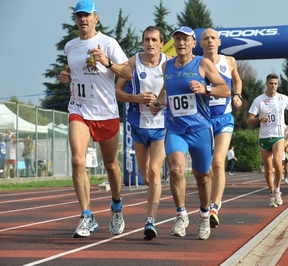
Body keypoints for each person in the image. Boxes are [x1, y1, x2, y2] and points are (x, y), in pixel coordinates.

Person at [59, 0, 132, 238]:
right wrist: (66, 75)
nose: (82, 19)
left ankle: (117, 206)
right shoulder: (70, 46)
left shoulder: (109, 43)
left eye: (86, 15)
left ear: (96, 18)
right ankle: (86, 215)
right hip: (79, 109)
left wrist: (107, 62)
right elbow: (74, 72)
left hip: (105, 112)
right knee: (78, 160)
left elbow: (128, 72)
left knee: (111, 164)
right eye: (79, 15)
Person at [150, 26, 230, 240]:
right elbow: (166, 91)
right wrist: (158, 103)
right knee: (175, 168)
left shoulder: (202, 64)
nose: (181, 43)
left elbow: (225, 89)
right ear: (173, 43)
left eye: (185, 39)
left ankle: (204, 215)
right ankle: (181, 214)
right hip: (176, 128)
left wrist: (206, 89)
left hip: (201, 129)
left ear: (193, 43)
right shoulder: (166, 66)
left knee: (203, 177)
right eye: (177, 39)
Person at [115, 26, 169, 240]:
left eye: (154, 40)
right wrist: (137, 98)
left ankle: (150, 220)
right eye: (147, 39)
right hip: (138, 126)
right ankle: (153, 188)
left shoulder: (169, 63)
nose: (150, 43)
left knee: (155, 171)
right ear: (143, 42)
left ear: (161, 43)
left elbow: (174, 88)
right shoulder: (132, 62)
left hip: (160, 126)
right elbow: (117, 92)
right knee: (146, 176)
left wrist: (160, 102)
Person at [199, 28, 243, 228]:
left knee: (218, 162)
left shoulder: (229, 61)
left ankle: (215, 206)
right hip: (203, 120)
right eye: (206, 38)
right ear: (201, 44)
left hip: (224, 118)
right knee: (205, 170)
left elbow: (236, 79)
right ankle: (207, 205)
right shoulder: (197, 63)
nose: (209, 41)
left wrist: (238, 94)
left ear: (219, 42)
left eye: (213, 38)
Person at [247, 73, 288, 207]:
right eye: (271, 83)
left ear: (277, 85)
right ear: (266, 84)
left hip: (278, 136)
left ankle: (278, 191)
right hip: (264, 137)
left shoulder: (283, 98)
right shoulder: (259, 100)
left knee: (278, 164)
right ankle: (271, 193)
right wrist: (259, 119)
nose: (273, 86)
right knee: (269, 170)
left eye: (275, 83)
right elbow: (249, 120)